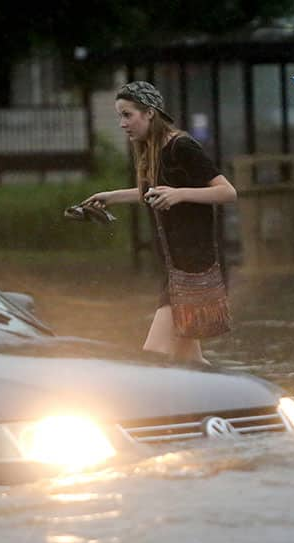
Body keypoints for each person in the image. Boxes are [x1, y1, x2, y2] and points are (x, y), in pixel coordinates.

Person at [82, 80, 237, 363]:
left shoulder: (182, 146)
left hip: (195, 270)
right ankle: (225, 403)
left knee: (153, 358)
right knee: (191, 363)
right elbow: (153, 192)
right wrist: (111, 197)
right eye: (120, 116)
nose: (122, 123)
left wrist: (179, 195)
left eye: (127, 115)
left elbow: (228, 191)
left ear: (149, 113)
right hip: (175, 268)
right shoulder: (151, 148)